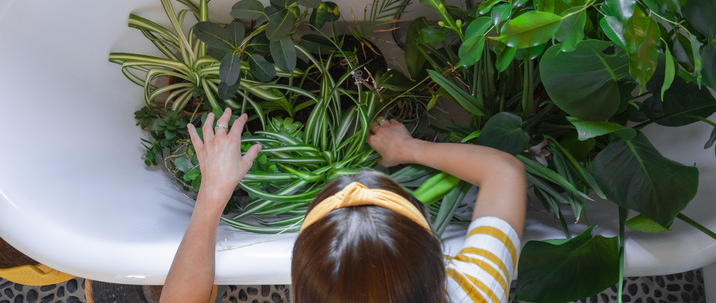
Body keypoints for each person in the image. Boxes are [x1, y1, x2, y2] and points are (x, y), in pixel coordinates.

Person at [160, 108, 527, 303]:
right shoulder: (475, 292)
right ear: (438, 258)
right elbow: (504, 172)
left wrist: (212, 194)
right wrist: (408, 149)